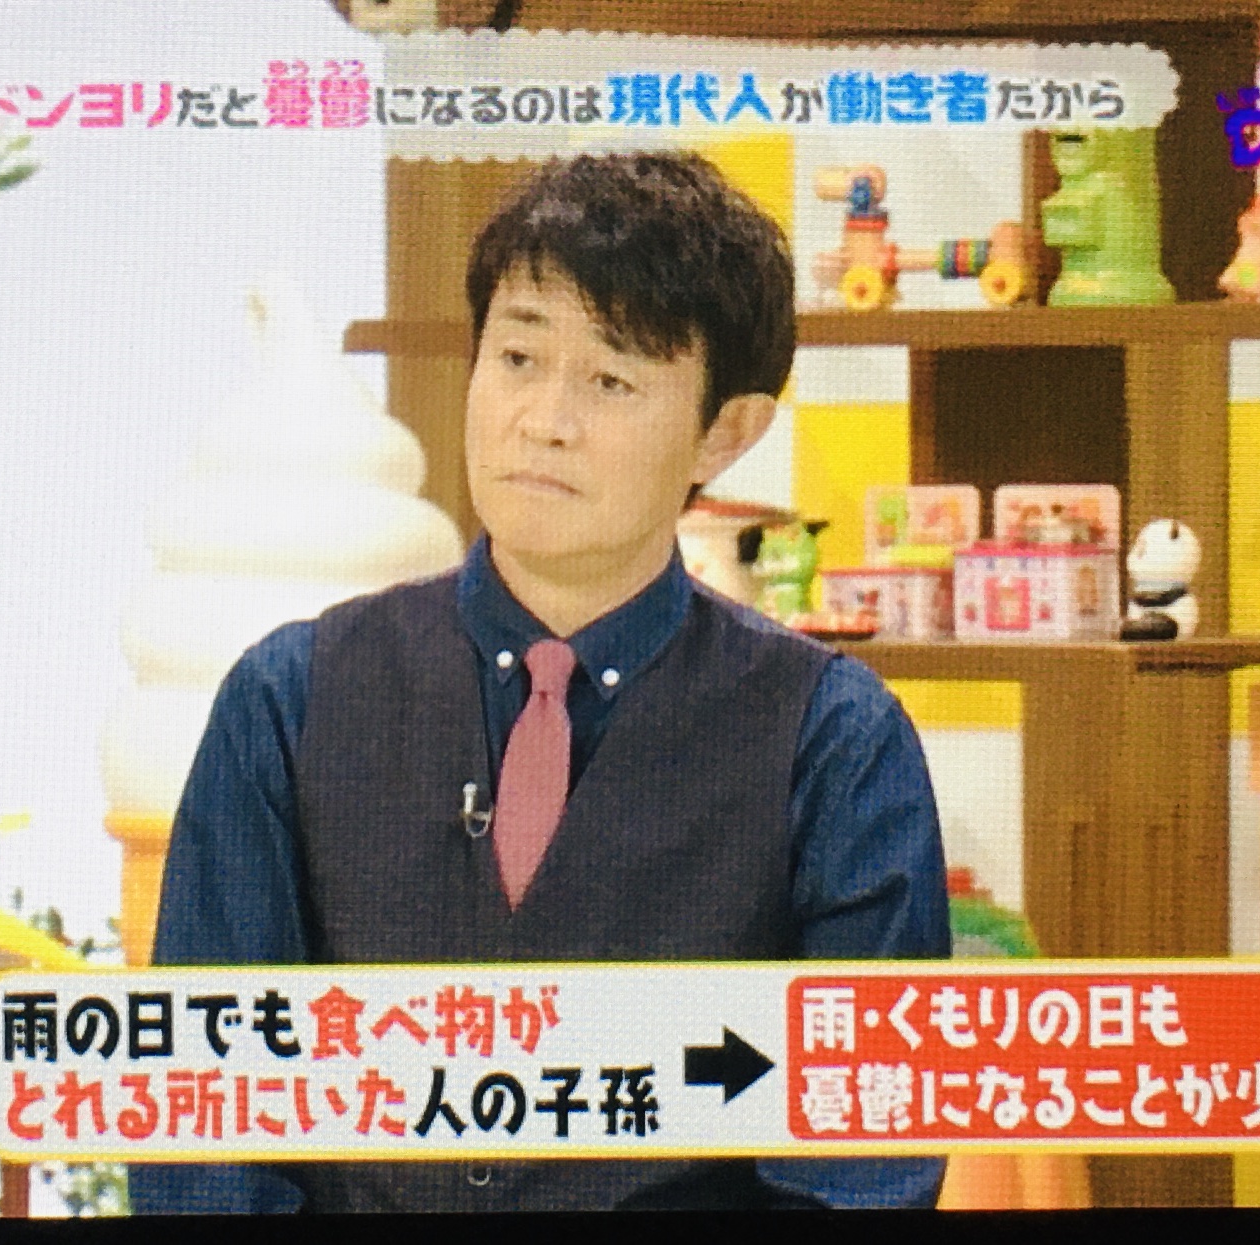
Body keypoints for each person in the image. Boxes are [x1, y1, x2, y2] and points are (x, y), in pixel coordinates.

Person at [135, 152, 950, 1212]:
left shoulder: (832, 739)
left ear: (725, 431)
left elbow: (859, 1161)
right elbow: (203, 1119)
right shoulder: (287, 699)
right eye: (517, 357)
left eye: (611, 380)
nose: (543, 420)